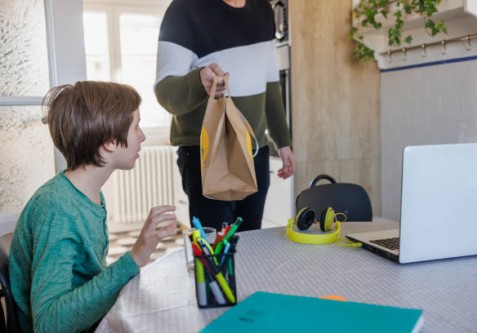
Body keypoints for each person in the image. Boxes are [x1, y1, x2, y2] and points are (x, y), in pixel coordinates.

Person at [9, 81, 178, 333]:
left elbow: (86, 276)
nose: (142, 136)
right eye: (136, 127)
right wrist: (134, 257)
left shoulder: (89, 195)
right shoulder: (57, 209)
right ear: (110, 142)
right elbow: (47, 324)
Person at [154, 0, 294, 232]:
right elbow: (165, 92)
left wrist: (283, 141)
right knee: (215, 249)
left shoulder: (263, 10)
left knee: (251, 242)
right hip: (207, 152)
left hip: (254, 151)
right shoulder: (184, 10)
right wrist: (200, 80)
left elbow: (270, 83)